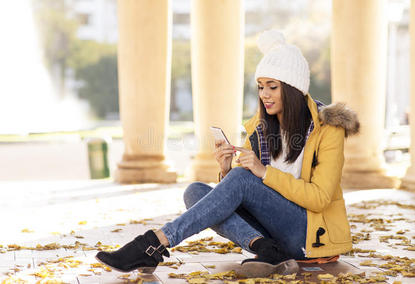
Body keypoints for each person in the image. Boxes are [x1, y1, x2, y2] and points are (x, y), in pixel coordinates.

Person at [95, 30, 360, 277]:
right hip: (274, 232)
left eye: (272, 86)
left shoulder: (328, 129)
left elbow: (320, 198)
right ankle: (267, 250)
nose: (264, 95)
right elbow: (242, 191)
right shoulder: (260, 128)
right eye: (260, 86)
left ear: (291, 89)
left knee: (244, 178)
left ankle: (153, 243)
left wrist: (262, 171)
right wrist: (225, 170)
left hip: (309, 235)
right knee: (196, 191)